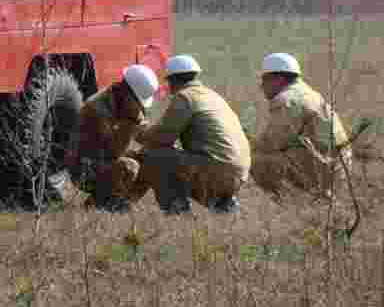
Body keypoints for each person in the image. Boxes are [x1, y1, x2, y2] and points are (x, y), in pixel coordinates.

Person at [133, 55, 251, 214]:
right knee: (177, 158)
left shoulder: (185, 97)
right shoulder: (212, 96)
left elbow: (161, 139)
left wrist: (138, 130)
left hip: (215, 170)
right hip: (239, 173)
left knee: (155, 156)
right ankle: (225, 207)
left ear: (172, 81)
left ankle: (178, 213)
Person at [249, 53, 352, 199]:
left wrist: (244, 143)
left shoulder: (286, 100)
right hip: (338, 170)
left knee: (250, 161)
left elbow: (271, 143)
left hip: (320, 170)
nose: (261, 86)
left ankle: (290, 204)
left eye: (264, 80)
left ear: (279, 79)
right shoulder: (309, 94)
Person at [69, 64, 160, 212]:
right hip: (83, 169)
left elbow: (144, 134)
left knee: (153, 159)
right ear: (127, 93)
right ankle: (97, 205)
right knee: (129, 167)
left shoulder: (125, 103)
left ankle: (123, 204)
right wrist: (130, 126)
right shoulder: (97, 110)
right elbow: (113, 154)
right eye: (138, 102)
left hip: (104, 161)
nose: (140, 107)